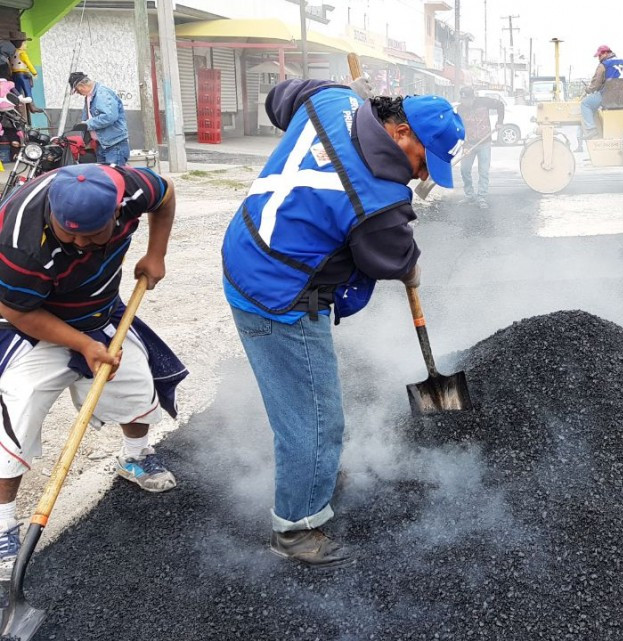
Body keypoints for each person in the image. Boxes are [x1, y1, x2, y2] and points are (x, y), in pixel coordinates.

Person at [221, 79, 464, 568]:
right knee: (313, 419)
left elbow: (279, 98)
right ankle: (297, 527)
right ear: (399, 133)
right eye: (422, 161)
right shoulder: (376, 200)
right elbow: (390, 258)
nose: (419, 176)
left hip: (255, 252)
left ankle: (317, 475)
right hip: (279, 293)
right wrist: (410, 263)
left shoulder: (334, 100)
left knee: (314, 392)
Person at [0, 164, 186, 572]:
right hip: (32, 323)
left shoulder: (130, 188)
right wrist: (83, 345)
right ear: (52, 213)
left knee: (134, 383)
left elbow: (167, 193)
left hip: (98, 310)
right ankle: (2, 523)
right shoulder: (20, 242)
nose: (83, 243)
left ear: (117, 211)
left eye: (94, 234)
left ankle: (134, 457)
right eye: (71, 234)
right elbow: (15, 309)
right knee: (19, 411)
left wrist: (157, 253)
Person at [456, 86, 504, 209]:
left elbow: (500, 105)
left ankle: (481, 196)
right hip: (469, 143)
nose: (465, 102)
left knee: (483, 171)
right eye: (463, 100)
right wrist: (464, 144)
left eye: (467, 100)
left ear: (473, 97)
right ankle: (469, 195)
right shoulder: (460, 109)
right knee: (464, 169)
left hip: (485, 142)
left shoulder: (484, 101)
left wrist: (499, 122)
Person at [69, 71, 130, 166]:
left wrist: (86, 125)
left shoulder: (102, 94)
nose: (78, 93)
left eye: (77, 90)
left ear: (82, 86)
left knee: (112, 178)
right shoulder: (90, 96)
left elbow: (109, 117)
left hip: (114, 145)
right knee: (105, 177)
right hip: (103, 145)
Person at [580, 45, 623, 139]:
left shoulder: (603, 65)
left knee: (585, 104)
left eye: (599, 55)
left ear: (605, 53)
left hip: (608, 99)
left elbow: (595, 84)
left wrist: (588, 90)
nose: (598, 58)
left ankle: (591, 130)